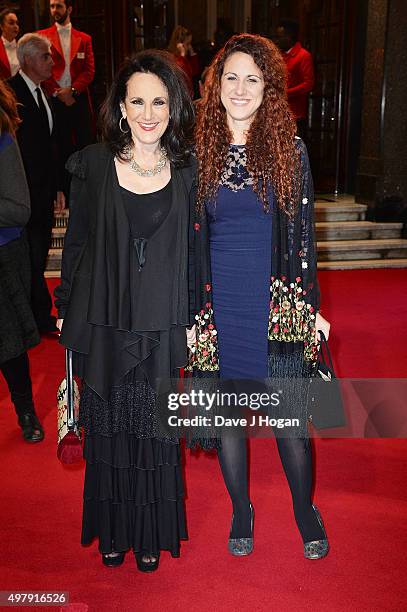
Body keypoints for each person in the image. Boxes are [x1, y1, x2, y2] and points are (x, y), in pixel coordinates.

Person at [54, 50, 195, 572]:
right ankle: (114, 531)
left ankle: (150, 534)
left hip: (161, 321)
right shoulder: (92, 163)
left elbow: (198, 248)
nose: (148, 112)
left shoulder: (187, 170)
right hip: (105, 319)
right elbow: (77, 243)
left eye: (159, 101)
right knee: (110, 429)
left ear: (173, 107)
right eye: (137, 100)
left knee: (156, 432)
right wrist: (67, 309)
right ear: (120, 107)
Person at [191, 34, 331, 559]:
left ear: (269, 88)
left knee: (290, 423)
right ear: (217, 85)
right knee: (229, 419)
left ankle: (303, 508)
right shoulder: (196, 154)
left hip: (272, 302)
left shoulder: (289, 152)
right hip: (218, 304)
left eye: (253, 78)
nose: (241, 87)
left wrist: (310, 308)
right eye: (231, 76)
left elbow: (303, 241)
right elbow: (188, 242)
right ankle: (240, 508)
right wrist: (189, 313)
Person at [8, 33, 65, 333]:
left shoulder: (44, 92)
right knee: (29, 256)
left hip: (42, 191)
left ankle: (36, 316)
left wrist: (57, 187)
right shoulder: (10, 93)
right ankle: (37, 317)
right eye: (46, 56)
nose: (51, 61)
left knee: (38, 253)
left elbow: (51, 145)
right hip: (21, 193)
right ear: (28, 60)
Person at [0, 79, 44, 443]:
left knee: (8, 343)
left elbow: (19, 209)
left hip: (4, 252)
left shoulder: (2, 131)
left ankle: (26, 409)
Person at [38, 0, 95, 191]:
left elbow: (89, 71)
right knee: (59, 146)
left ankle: (87, 189)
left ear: (69, 9)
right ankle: (62, 191)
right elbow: (41, 69)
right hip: (54, 98)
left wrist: (72, 91)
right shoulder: (42, 36)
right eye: (52, 6)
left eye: (59, 6)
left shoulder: (84, 38)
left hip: (77, 98)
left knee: (84, 143)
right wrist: (59, 92)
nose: (54, 10)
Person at [276, 20, 314, 141]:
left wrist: (286, 93)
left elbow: (308, 84)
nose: (277, 40)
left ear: (289, 36)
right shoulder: (280, 56)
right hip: (279, 112)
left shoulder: (303, 55)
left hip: (296, 114)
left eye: (280, 37)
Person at [168, 25, 199, 98]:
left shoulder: (184, 58)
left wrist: (192, 54)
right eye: (188, 44)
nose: (189, 47)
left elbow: (195, 72)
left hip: (188, 96)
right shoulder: (174, 58)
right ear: (179, 44)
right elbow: (182, 73)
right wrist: (182, 55)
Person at [0, 9, 20, 80]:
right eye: (11, 23)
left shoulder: (22, 46)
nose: (16, 26)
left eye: (17, 23)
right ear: (2, 26)